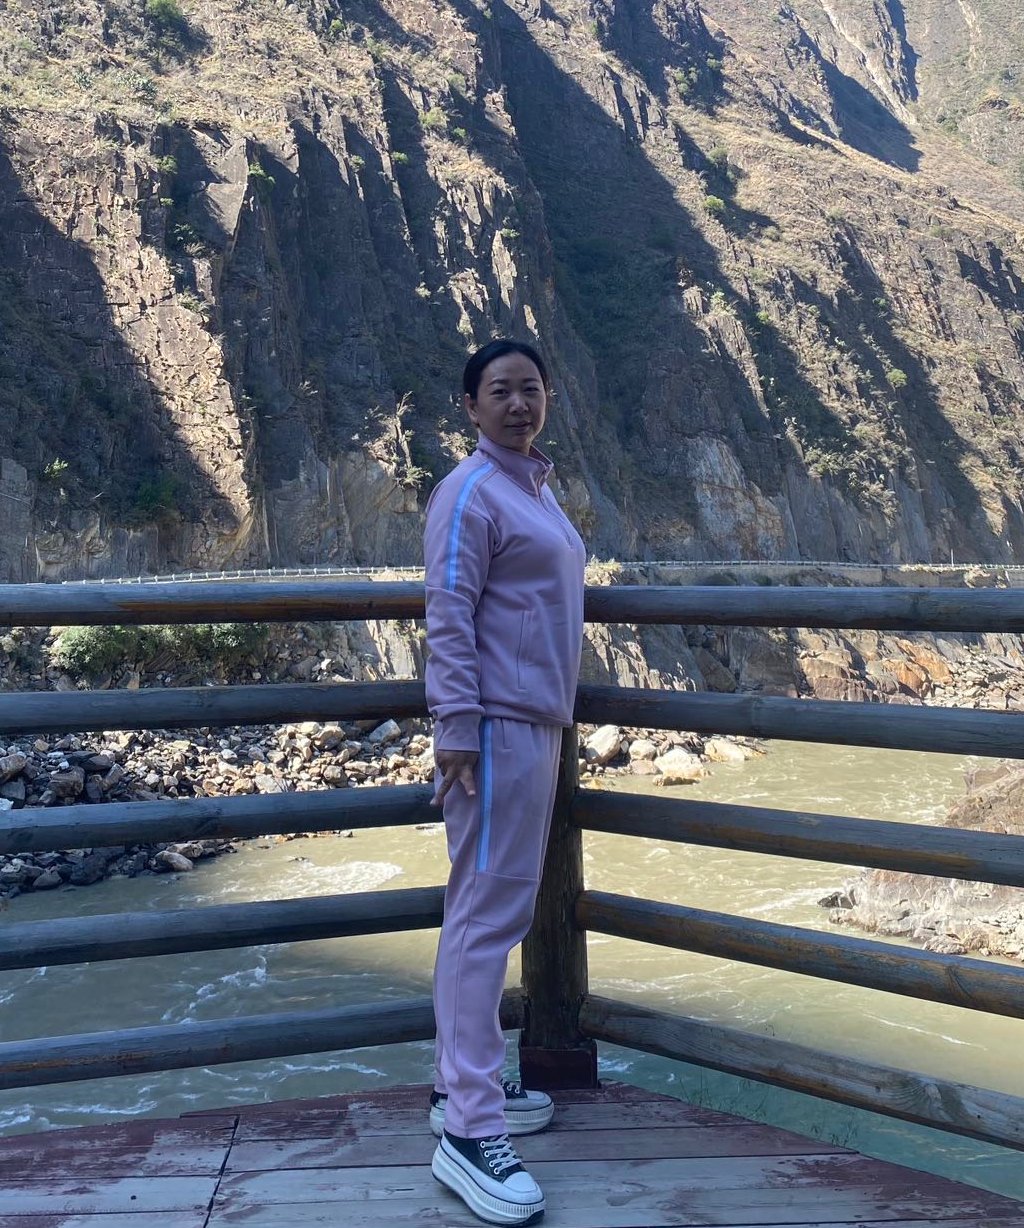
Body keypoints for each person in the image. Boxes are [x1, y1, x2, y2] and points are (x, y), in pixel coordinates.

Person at [423, 338, 587, 1225]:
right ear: (471, 406)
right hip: (493, 730)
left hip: (533, 723)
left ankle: (460, 1089)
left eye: (531, 388)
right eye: (500, 391)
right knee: (485, 921)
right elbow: (449, 609)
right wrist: (456, 727)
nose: (519, 403)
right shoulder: (471, 491)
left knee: (488, 913)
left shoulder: (533, 486)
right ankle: (469, 1131)